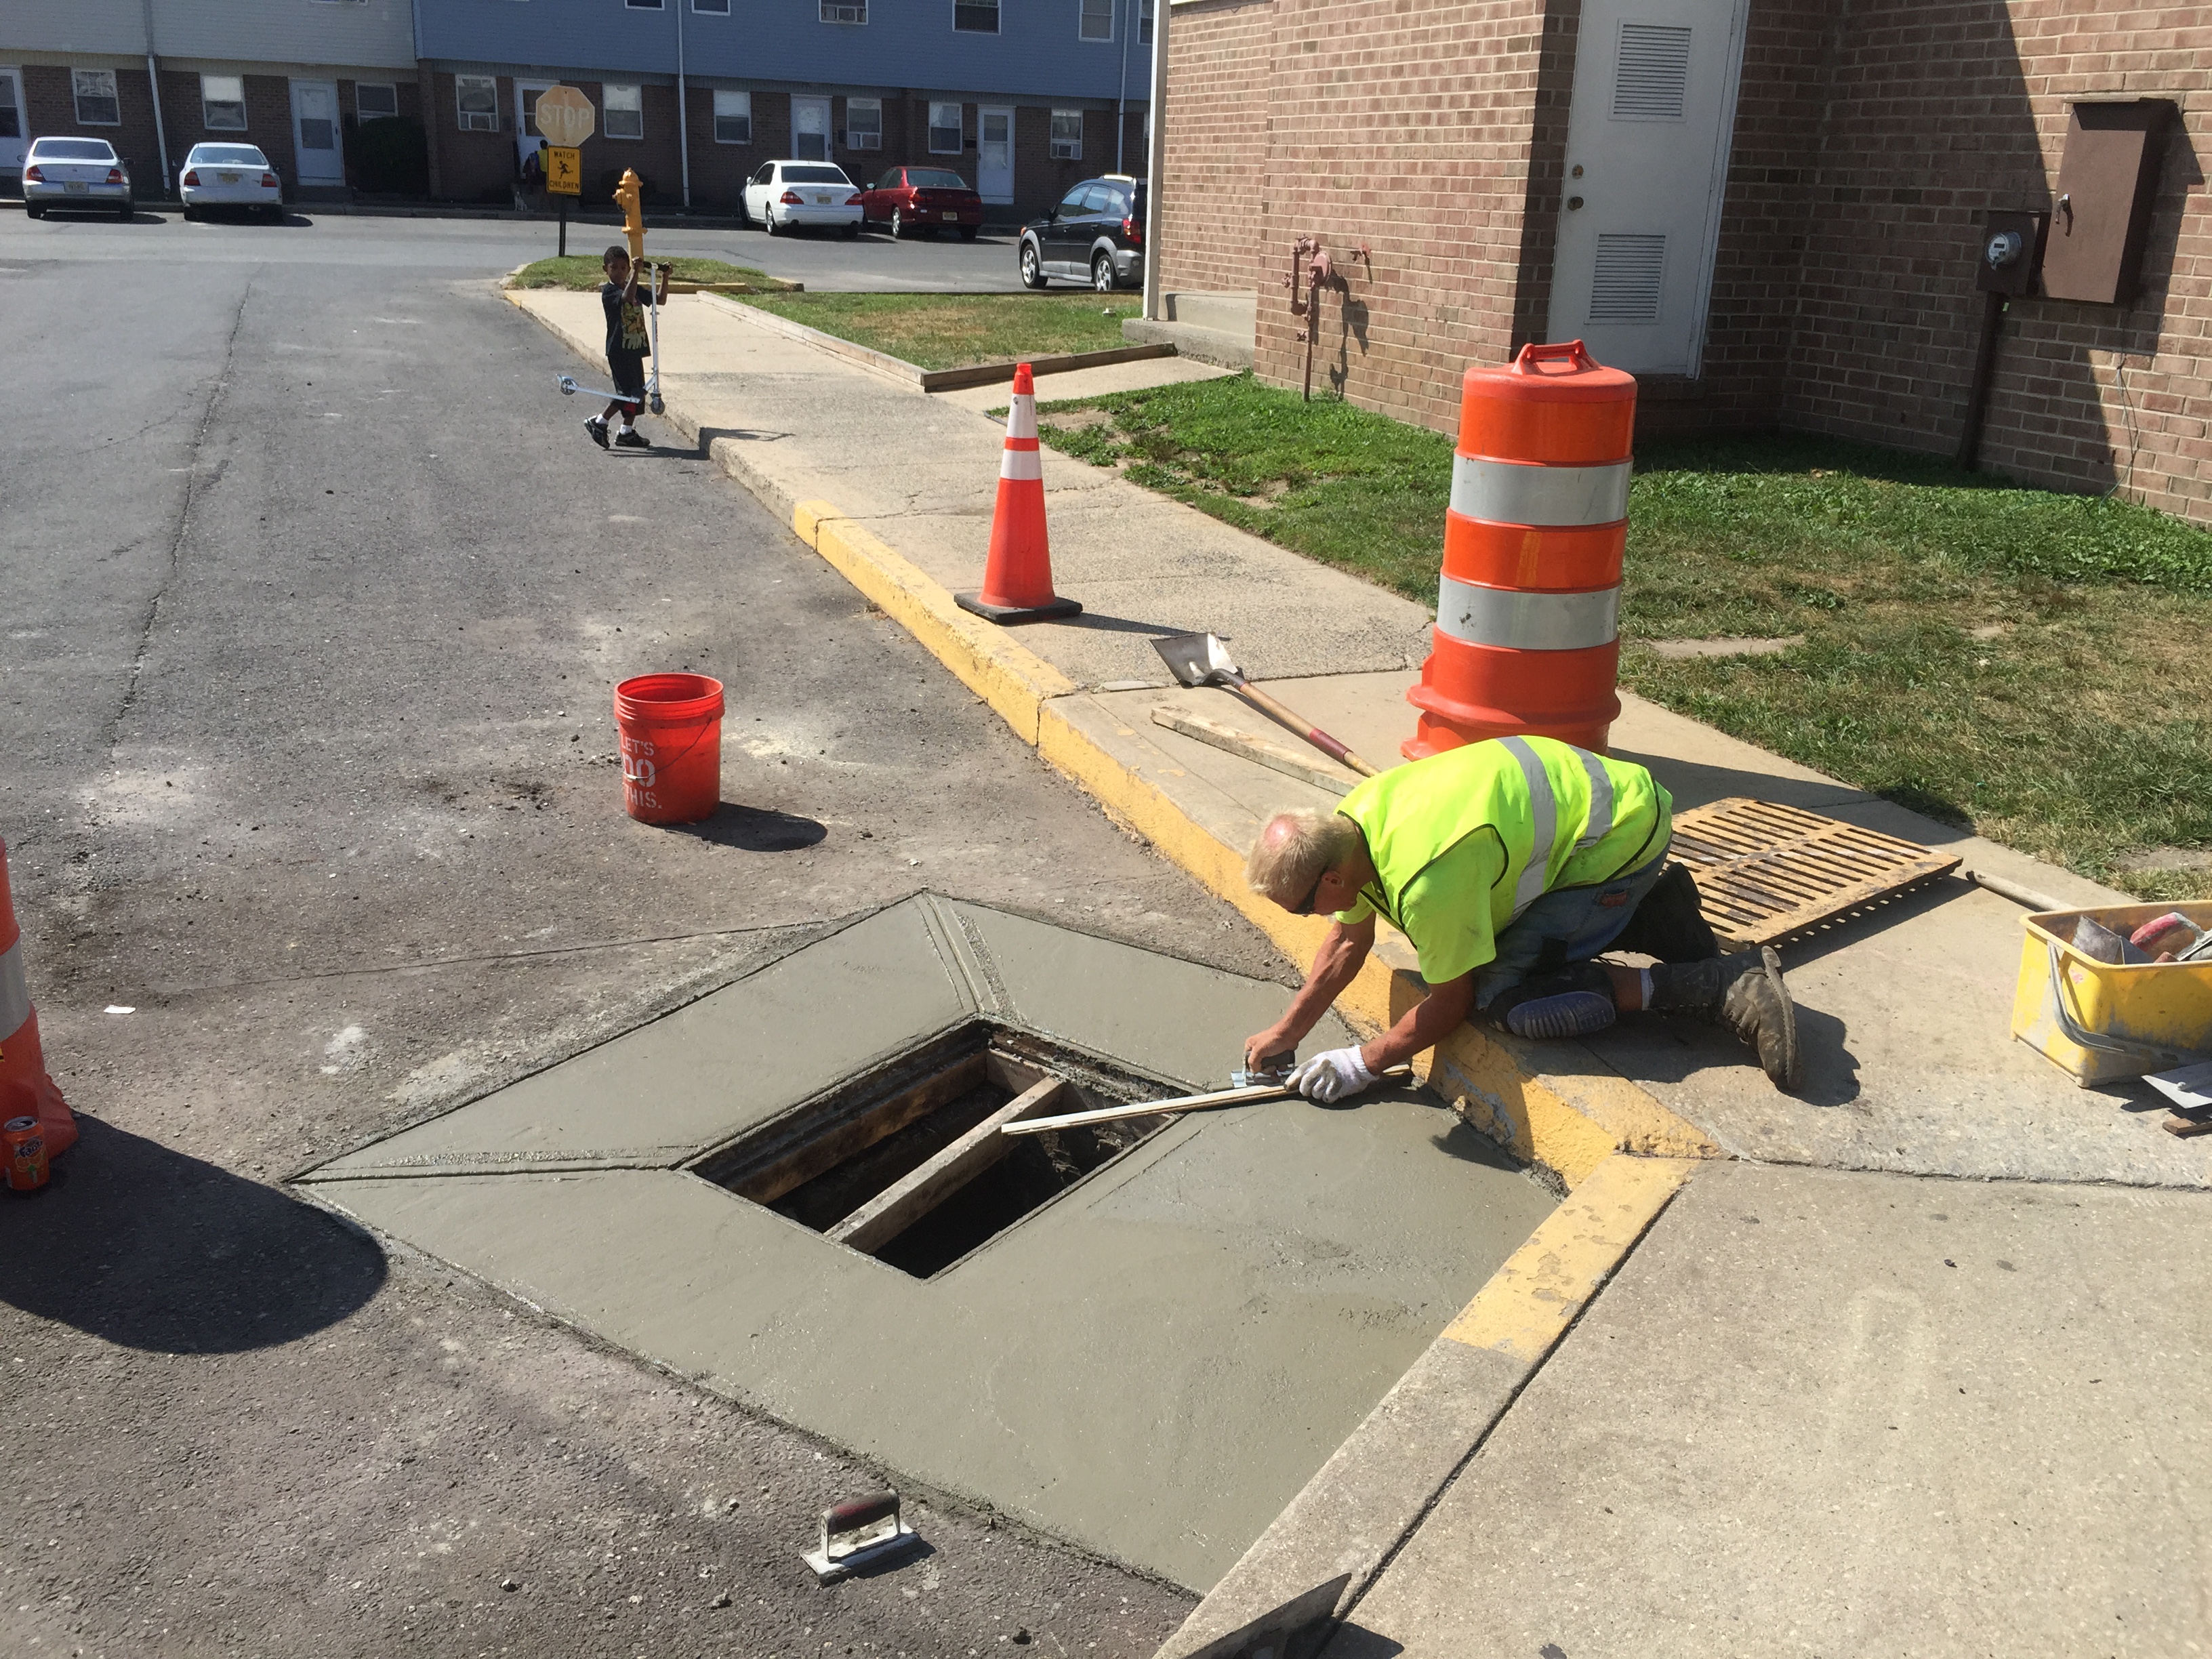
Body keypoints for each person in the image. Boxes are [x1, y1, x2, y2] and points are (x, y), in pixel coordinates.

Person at [1241, 735, 1802, 1101]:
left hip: (1620, 841)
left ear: (1331, 879)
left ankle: (1719, 984)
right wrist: (1286, 1032)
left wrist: (1362, 1063)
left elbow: (1451, 1002)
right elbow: (1347, 941)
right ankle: (1653, 917)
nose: (1307, 915)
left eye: (1299, 905)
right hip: (1594, 820)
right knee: (1479, 943)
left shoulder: (1427, 880)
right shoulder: (1352, 831)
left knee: (1510, 999)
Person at [585, 245, 651, 451]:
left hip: (635, 348)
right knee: (626, 392)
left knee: (637, 392)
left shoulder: (633, 286)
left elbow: (661, 299)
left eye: (624, 268)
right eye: (615, 268)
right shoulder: (610, 291)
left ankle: (626, 432)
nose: (620, 272)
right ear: (606, 269)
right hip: (619, 350)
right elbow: (626, 298)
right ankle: (599, 421)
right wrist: (635, 273)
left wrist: (665, 276)